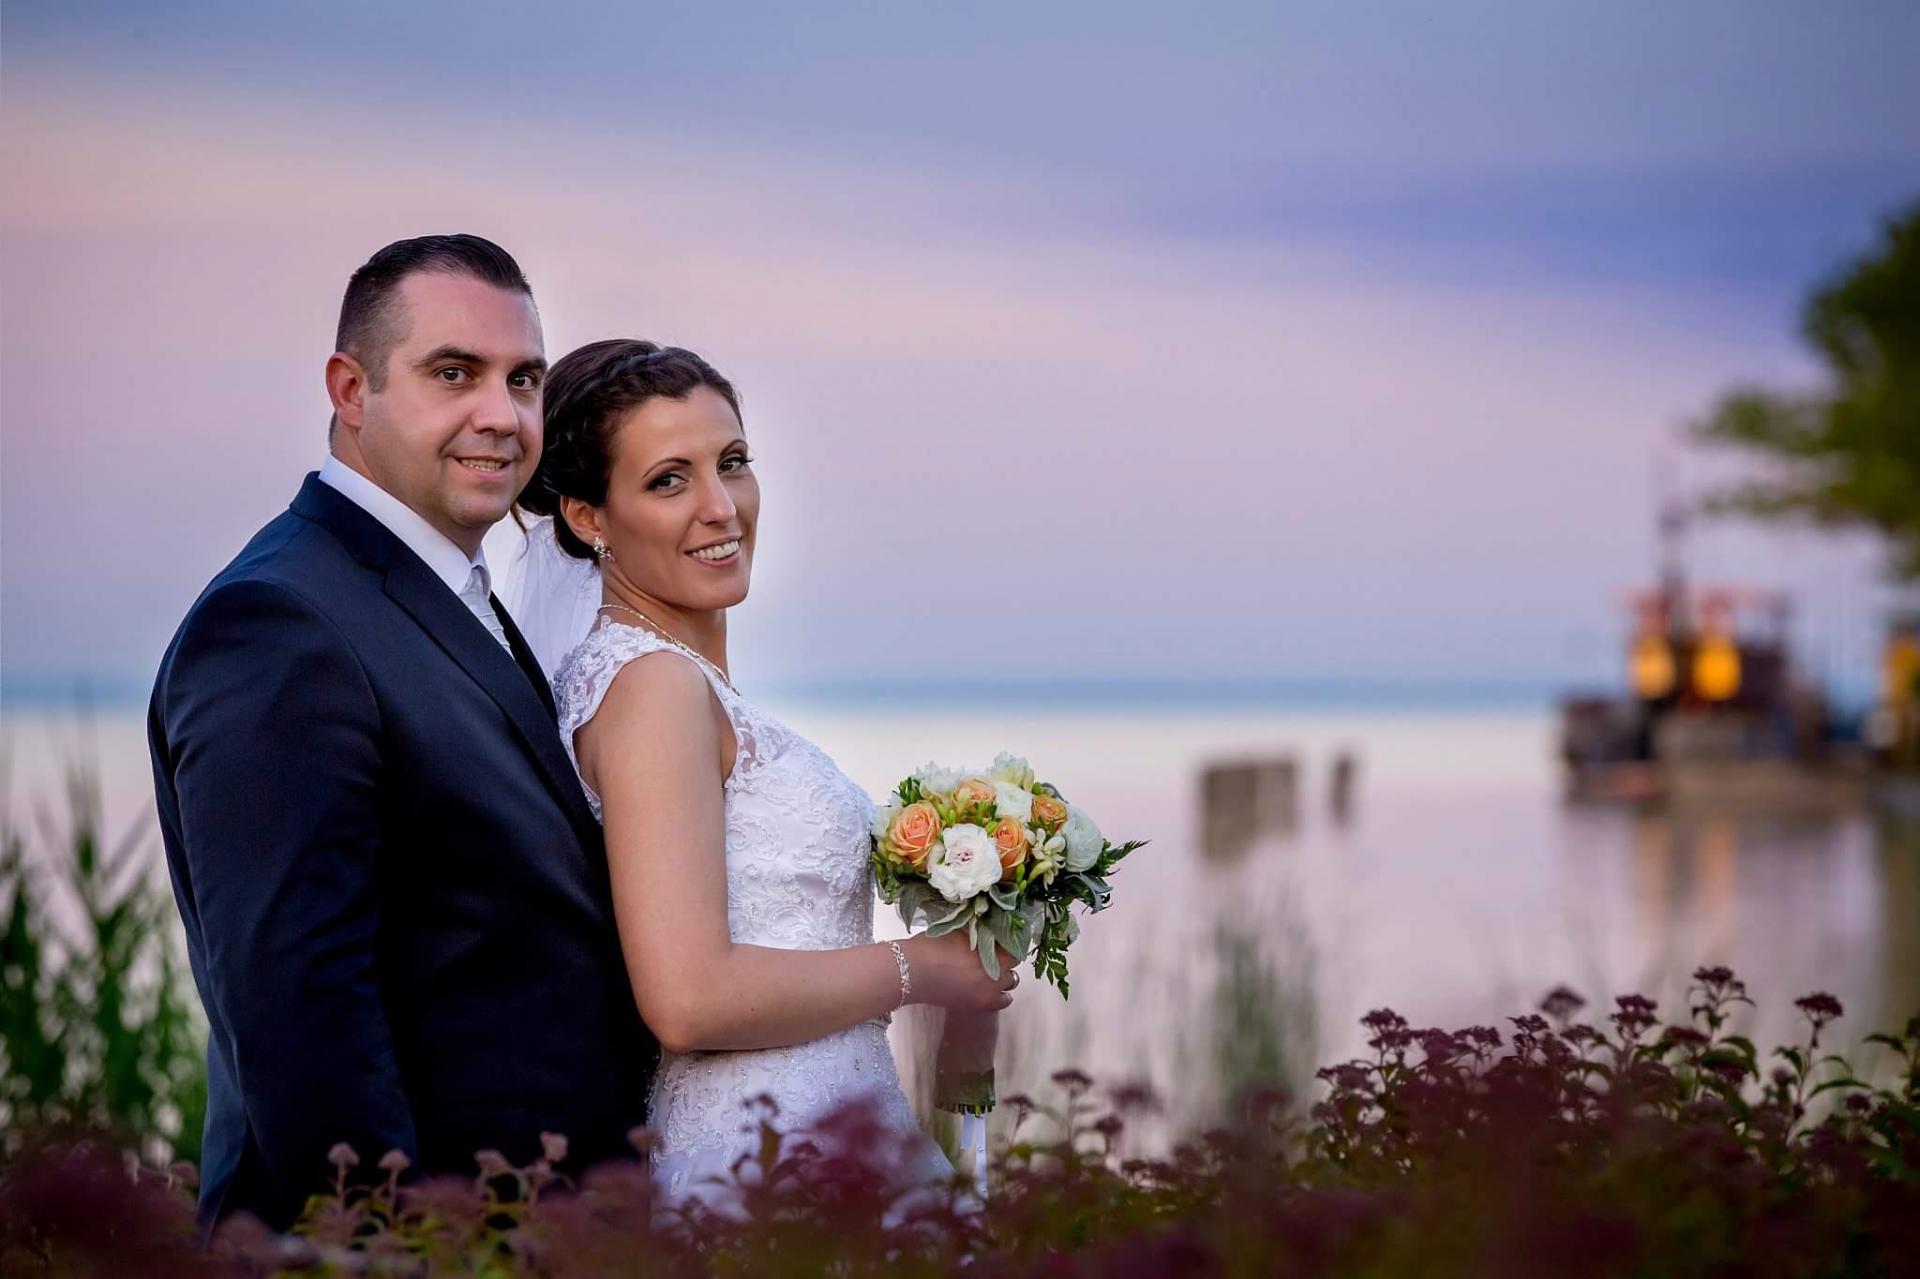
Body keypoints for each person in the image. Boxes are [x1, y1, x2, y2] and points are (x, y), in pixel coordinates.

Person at [148, 236, 655, 1231]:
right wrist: (397, 1245)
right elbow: (302, 1015)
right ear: (351, 388)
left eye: (523, 379)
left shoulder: (445, 595)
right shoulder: (281, 623)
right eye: (454, 373)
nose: (501, 414)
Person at [514, 339, 1014, 1207]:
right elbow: (688, 998)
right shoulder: (654, 690)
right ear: (589, 517)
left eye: (733, 462)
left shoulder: (672, 683)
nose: (721, 507)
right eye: (669, 480)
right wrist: (919, 967)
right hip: (769, 1160)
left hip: (830, 1131)